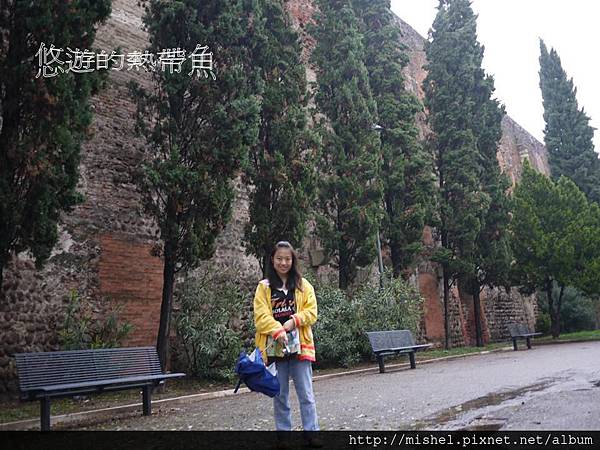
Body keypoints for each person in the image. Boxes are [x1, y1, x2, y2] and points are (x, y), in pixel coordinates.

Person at [253, 240, 320, 435]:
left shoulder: (303, 285)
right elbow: (260, 317)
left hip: (300, 348)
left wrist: (294, 321)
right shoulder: (264, 287)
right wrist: (277, 330)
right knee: (280, 396)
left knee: (306, 395)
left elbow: (312, 312)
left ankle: (312, 433)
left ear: (293, 260)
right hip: (275, 349)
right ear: (272, 260)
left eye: (287, 259)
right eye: (279, 258)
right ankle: (284, 436)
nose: (283, 263)